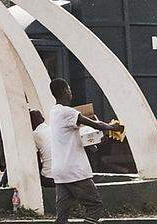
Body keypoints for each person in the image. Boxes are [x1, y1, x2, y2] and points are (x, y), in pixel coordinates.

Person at [48, 78, 123, 224]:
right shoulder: (68, 112)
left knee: (62, 217)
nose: (71, 92)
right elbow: (95, 124)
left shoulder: (54, 112)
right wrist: (114, 127)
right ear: (64, 91)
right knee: (95, 205)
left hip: (60, 172)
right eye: (69, 89)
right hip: (74, 170)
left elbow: (76, 134)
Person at [30, 109, 54, 187]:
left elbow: (36, 162)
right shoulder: (52, 129)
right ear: (43, 119)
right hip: (64, 175)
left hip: (49, 177)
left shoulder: (35, 135)